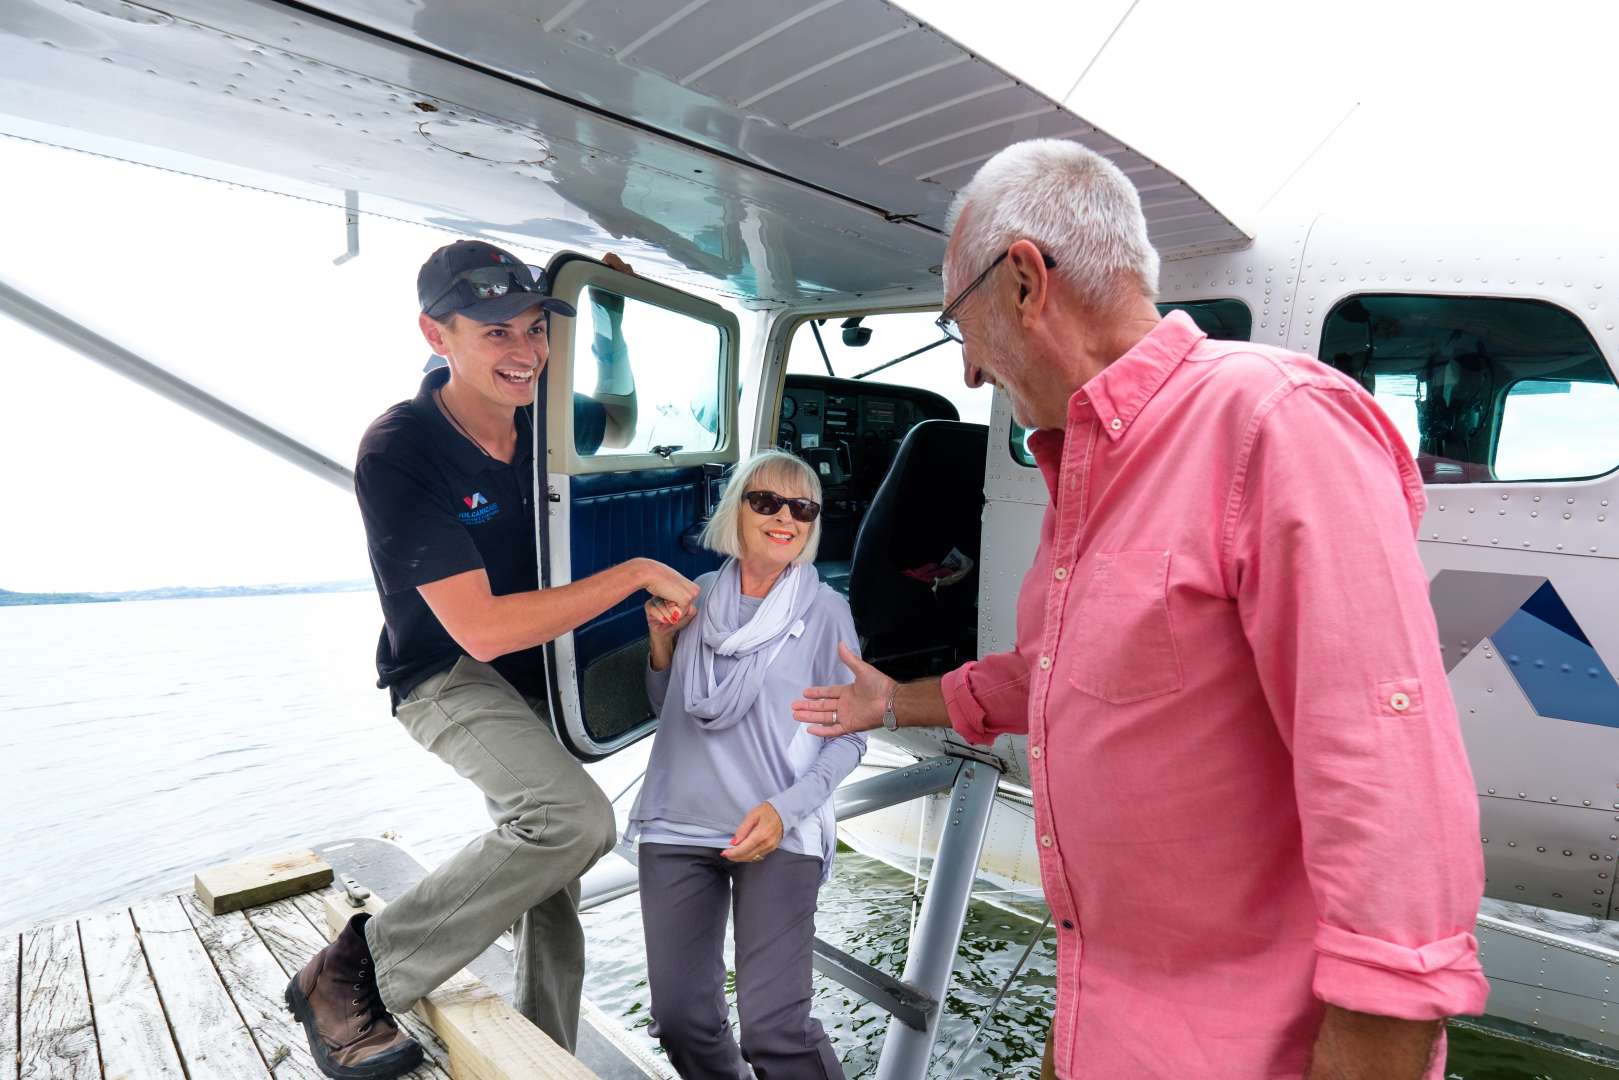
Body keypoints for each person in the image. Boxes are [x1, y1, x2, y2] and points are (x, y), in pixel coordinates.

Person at [792, 139, 1489, 1080]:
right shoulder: (1083, 464)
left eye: (962, 322)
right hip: (1107, 1022)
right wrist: (893, 701)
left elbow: (1381, 759)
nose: (967, 370)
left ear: (1027, 282)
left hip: (1243, 1047)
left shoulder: (1273, 422)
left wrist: (1376, 1043)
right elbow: (1056, 675)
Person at [285, 240, 701, 1079]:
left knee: (551, 874)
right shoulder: (401, 447)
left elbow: (616, 412)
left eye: (533, 331)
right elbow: (476, 631)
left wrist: (608, 317)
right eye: (494, 335)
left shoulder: (542, 414)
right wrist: (631, 576)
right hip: (441, 674)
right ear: (436, 337)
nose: (524, 355)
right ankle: (355, 970)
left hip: (538, 670)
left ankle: (544, 1046)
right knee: (572, 823)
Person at [628, 450, 865, 1080]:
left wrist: (784, 813)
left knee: (775, 1031)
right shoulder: (696, 597)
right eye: (766, 502)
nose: (785, 517)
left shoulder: (826, 613)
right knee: (680, 1020)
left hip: (774, 829)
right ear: (737, 508)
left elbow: (849, 738)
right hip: (678, 823)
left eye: (802, 507)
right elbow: (667, 707)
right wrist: (660, 643)